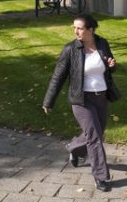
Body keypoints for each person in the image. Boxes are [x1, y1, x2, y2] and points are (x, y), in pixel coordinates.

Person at [42, 13, 118, 192]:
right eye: (74, 27)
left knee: (96, 134)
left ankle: (74, 148)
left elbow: (109, 66)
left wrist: (112, 65)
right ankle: (101, 177)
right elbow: (57, 77)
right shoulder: (70, 49)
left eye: (79, 28)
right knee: (95, 138)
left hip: (101, 96)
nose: (75, 31)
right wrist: (48, 101)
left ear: (90, 30)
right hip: (81, 99)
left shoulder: (102, 43)